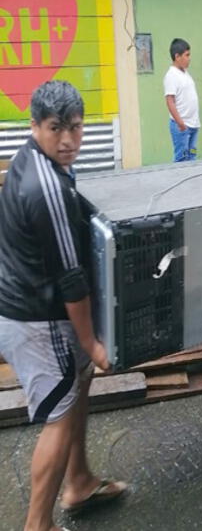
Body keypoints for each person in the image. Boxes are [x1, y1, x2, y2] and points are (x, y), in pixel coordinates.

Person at [0, 81, 128, 531]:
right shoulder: (44, 186)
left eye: (76, 128)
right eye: (57, 129)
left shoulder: (36, 160)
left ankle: (78, 482)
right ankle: (38, 525)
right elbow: (72, 278)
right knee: (57, 417)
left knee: (76, 392)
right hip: (38, 319)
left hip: (31, 305)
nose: (70, 140)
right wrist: (91, 342)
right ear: (35, 125)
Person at [164, 38, 200, 162]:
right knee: (181, 159)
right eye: (187, 55)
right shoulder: (171, 75)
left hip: (193, 124)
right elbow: (170, 101)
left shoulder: (185, 73)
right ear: (177, 56)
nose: (189, 58)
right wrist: (181, 124)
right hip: (182, 126)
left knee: (192, 157)